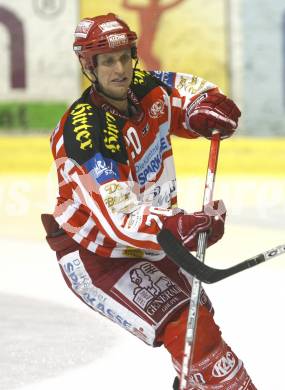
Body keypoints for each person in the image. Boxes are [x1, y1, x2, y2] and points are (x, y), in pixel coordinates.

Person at [41, 13, 256, 389]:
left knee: (197, 319)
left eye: (125, 56)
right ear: (89, 66)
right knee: (191, 327)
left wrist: (203, 107)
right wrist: (178, 226)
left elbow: (183, 92)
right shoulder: (87, 134)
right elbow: (118, 220)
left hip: (150, 242)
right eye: (108, 61)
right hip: (98, 255)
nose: (121, 69)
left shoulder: (142, 86)